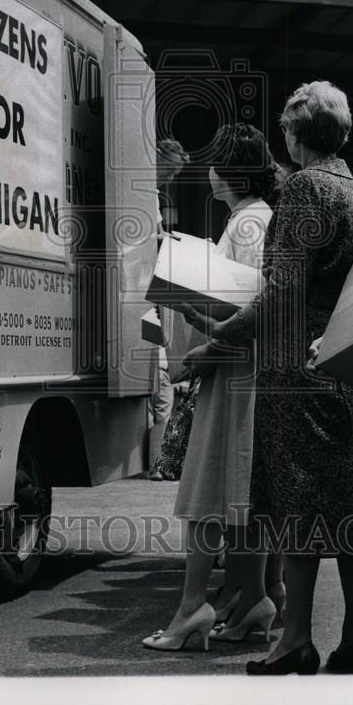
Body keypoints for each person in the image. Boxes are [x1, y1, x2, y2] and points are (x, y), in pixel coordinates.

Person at [186, 82, 353, 676]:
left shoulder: (303, 188)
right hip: (340, 360)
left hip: (293, 366)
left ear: (296, 134)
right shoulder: (352, 188)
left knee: (294, 503)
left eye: (286, 130)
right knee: (345, 497)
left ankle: (295, 638)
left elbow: (281, 291)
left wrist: (222, 335)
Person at [142, 124, 279, 651]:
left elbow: (252, 311)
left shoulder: (247, 227)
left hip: (235, 372)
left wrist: (205, 346)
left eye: (217, 164)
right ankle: (253, 600)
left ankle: (191, 608)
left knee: (205, 494)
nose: (209, 174)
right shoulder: (255, 220)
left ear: (232, 172)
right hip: (245, 369)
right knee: (244, 495)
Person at [148, 139, 190, 481]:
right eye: (170, 169)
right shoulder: (143, 192)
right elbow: (153, 237)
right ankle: (157, 464)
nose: (171, 177)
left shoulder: (156, 195)